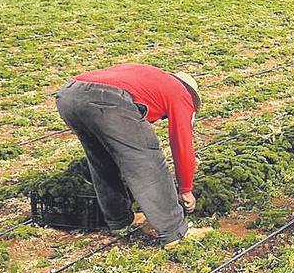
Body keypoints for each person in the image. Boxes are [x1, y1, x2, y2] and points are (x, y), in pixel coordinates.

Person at [55, 63, 209, 246]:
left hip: (68, 95)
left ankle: (119, 220)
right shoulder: (181, 93)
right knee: (147, 162)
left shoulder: (151, 79)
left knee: (101, 160)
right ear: (191, 94)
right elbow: (181, 143)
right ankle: (175, 233)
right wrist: (186, 189)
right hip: (107, 100)